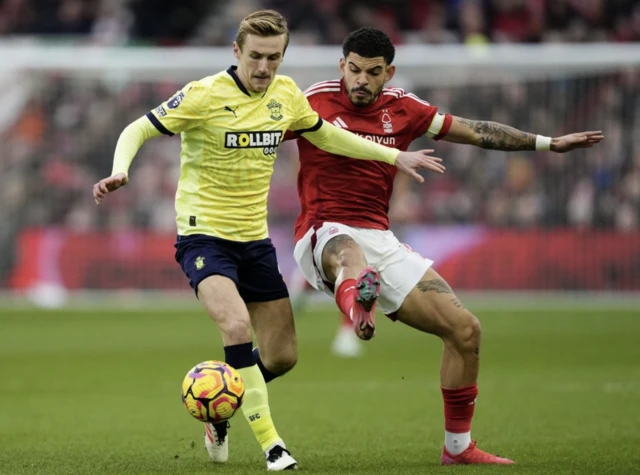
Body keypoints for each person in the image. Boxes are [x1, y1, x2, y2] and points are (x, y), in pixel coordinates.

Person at [92, 11, 444, 471]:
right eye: (255, 56)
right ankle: (273, 446)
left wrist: (394, 155)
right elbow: (138, 127)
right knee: (236, 328)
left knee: (282, 356)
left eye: (273, 58)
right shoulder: (204, 94)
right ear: (236, 52)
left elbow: (332, 137)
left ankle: (218, 415)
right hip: (203, 237)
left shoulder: (286, 95)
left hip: (253, 242)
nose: (263, 67)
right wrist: (122, 168)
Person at [288, 27, 604, 465]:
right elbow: (259, 136)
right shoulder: (311, 100)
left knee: (466, 331)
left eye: (372, 73)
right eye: (354, 70)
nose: (361, 80)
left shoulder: (405, 108)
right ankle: (357, 305)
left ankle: (457, 448)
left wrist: (547, 144)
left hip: (380, 237)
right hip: (323, 229)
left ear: (389, 72)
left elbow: (475, 131)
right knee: (350, 257)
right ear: (342, 65)